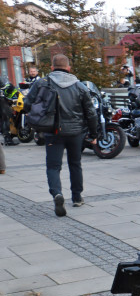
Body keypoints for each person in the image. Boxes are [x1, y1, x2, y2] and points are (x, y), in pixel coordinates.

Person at [24, 53, 99, 216]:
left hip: (52, 131)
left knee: (53, 166)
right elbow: (91, 112)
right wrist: (94, 134)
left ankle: (57, 194)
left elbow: (27, 104)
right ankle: (77, 197)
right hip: (75, 132)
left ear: (52, 68)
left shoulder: (43, 83)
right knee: (75, 163)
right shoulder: (80, 86)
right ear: (69, 68)